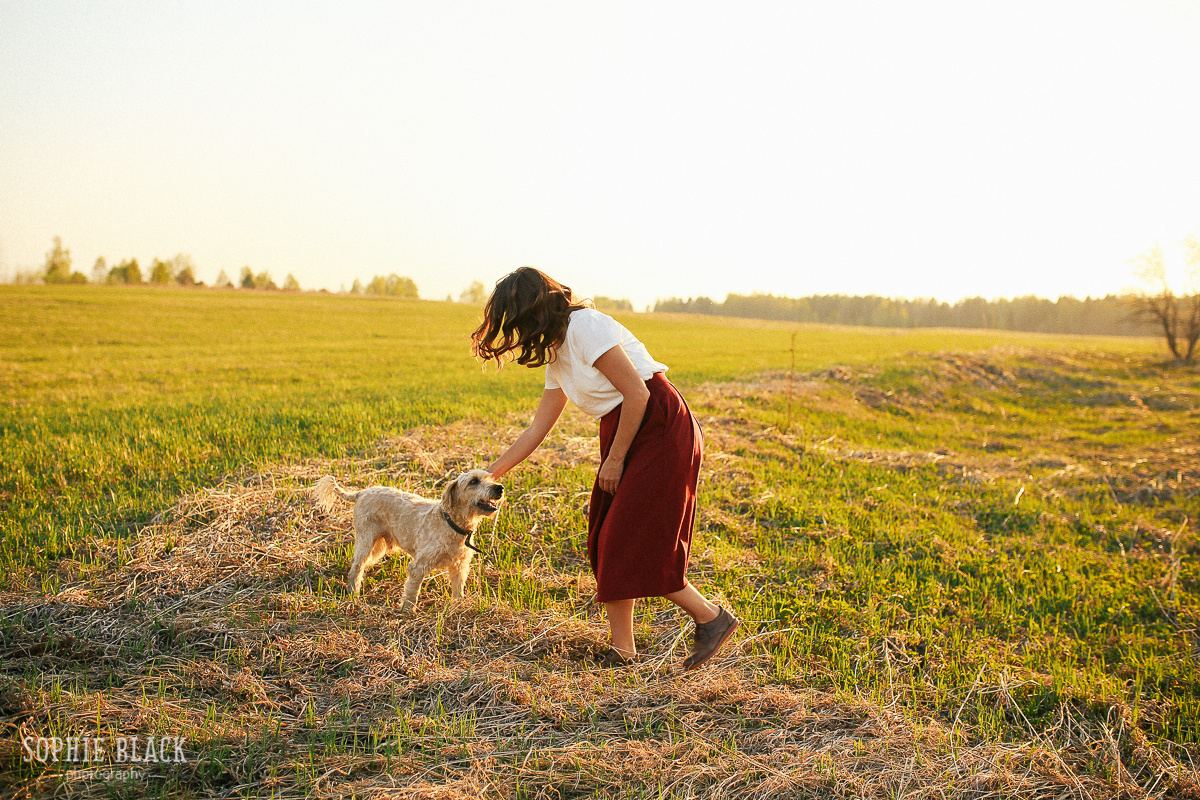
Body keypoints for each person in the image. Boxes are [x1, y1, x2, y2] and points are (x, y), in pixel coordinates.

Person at [471, 267, 739, 669]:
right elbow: (536, 429)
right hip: (627, 428)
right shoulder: (559, 356)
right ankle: (623, 651)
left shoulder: (585, 327)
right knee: (605, 538)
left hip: (658, 425)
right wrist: (486, 477)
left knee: (626, 538)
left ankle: (711, 618)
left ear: (533, 311)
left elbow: (638, 393)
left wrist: (614, 460)